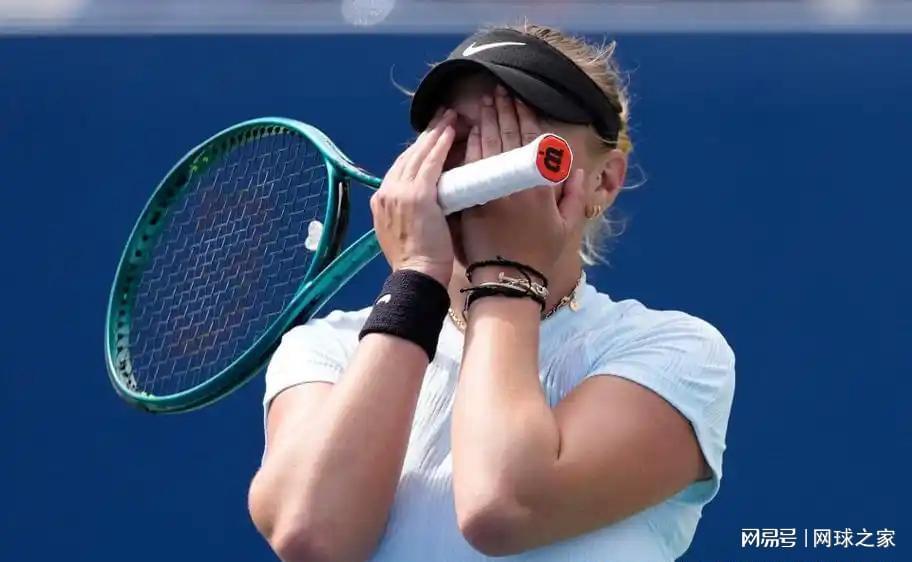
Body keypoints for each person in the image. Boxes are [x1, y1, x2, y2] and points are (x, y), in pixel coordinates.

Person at [248, 23, 735, 562]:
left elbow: (504, 506)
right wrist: (414, 279)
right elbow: (313, 539)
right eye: (458, 137)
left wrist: (504, 271)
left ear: (604, 180)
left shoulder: (675, 353)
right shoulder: (327, 350)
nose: (483, 165)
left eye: (519, 139)